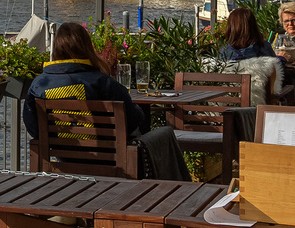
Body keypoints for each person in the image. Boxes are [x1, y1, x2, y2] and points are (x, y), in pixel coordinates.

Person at [22, 22, 188, 181]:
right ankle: (178, 192)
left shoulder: (38, 85)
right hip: (109, 161)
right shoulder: (103, 83)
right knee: (165, 133)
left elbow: (34, 128)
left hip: (64, 159)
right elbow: (133, 120)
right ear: (86, 47)